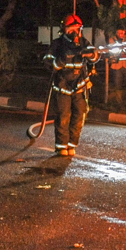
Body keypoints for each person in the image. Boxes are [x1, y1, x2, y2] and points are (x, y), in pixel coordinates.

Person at [44, 14, 97, 156]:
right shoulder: (57, 44)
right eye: (71, 29)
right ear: (64, 29)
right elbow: (48, 63)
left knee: (79, 115)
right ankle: (61, 147)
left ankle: (72, 144)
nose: (74, 32)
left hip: (79, 85)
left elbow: (95, 57)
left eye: (77, 29)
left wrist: (90, 55)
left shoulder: (84, 43)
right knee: (63, 116)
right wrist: (61, 60)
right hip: (62, 85)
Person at [107, 27, 126, 112]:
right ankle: (119, 106)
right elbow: (113, 54)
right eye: (119, 33)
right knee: (117, 86)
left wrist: (123, 56)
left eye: (122, 33)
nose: (121, 35)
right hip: (117, 66)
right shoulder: (112, 40)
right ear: (116, 32)